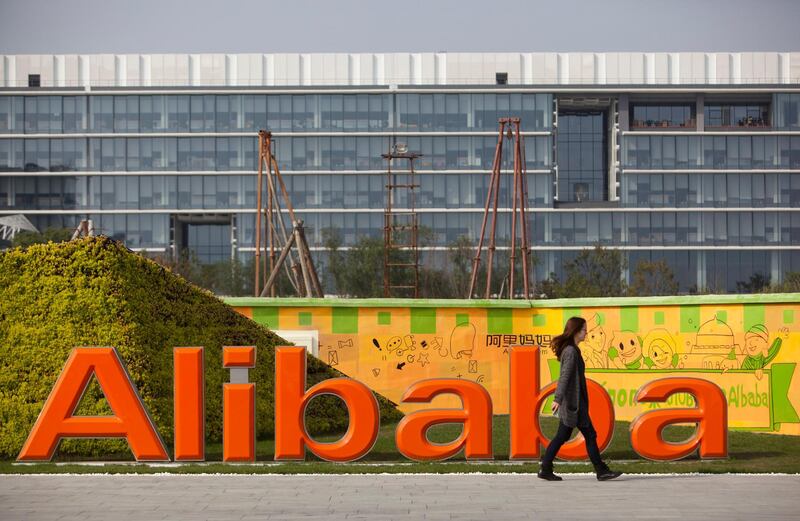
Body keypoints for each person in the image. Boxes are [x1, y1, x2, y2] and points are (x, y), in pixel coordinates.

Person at [538, 316, 623, 481]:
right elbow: (565, 376)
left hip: (574, 402)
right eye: (584, 329)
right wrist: (558, 398)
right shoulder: (570, 351)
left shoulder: (572, 350)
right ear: (576, 332)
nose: (586, 332)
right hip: (574, 404)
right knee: (590, 435)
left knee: (563, 436)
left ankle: (546, 468)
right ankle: (601, 470)